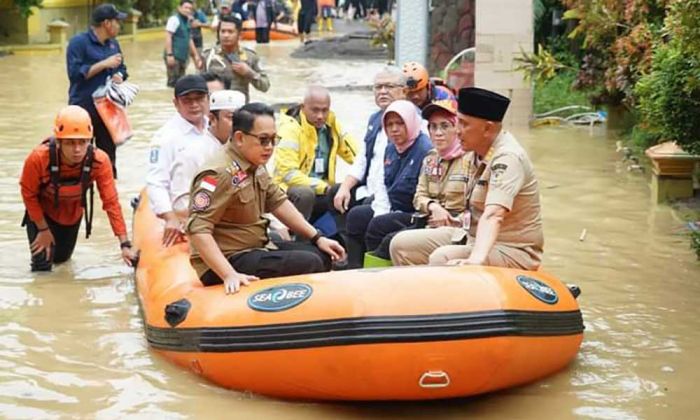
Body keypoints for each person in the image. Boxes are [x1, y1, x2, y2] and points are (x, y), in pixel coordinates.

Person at [186, 103, 346, 294]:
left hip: (255, 247)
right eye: (263, 140)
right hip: (228, 258)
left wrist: (318, 237)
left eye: (273, 140)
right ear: (239, 138)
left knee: (320, 254)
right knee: (309, 263)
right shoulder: (217, 174)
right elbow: (197, 228)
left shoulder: (255, 164)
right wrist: (229, 274)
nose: (269, 147)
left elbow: (278, 201)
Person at [428, 87, 544, 270]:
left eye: (464, 124)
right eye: (457, 122)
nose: (457, 131)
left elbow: (494, 215)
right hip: (470, 235)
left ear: (488, 128)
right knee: (402, 245)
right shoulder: (474, 153)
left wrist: (476, 259)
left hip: (512, 250)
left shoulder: (508, 157)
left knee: (440, 259)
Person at [19, 105, 136, 272]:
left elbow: (111, 203)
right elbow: (28, 194)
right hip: (41, 214)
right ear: (58, 142)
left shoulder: (100, 161)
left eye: (83, 142)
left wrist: (124, 243)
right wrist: (43, 229)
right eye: (70, 143)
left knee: (62, 261)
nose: (77, 149)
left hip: (71, 215)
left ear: (90, 140)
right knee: (41, 267)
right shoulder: (38, 158)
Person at [343, 99, 432, 268]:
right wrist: (381, 211)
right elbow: (383, 185)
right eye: (389, 124)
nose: (394, 129)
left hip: (416, 212)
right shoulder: (391, 147)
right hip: (393, 205)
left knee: (379, 225)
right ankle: (353, 268)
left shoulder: (424, 150)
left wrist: (383, 217)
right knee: (357, 216)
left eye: (400, 123)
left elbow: (425, 194)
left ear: (411, 123)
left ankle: (377, 273)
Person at [386, 99, 472, 264]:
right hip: (430, 221)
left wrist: (454, 219)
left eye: (445, 126)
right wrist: (433, 207)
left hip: (459, 228)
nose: (438, 133)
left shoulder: (472, 161)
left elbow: (480, 208)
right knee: (385, 235)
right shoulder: (431, 159)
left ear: (458, 128)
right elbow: (419, 195)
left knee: (397, 242)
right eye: (433, 127)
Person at [330, 66, 404, 234]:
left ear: (403, 91)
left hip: (389, 193)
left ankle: (359, 253)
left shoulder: (411, 121)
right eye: (378, 87)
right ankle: (343, 245)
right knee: (335, 192)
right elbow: (362, 159)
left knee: (361, 210)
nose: (383, 91)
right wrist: (345, 187)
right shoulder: (375, 119)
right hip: (369, 187)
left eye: (389, 86)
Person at [274, 85, 358, 222]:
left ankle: (340, 238)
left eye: (325, 110)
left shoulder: (332, 125)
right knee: (306, 193)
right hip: (290, 191)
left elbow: (354, 153)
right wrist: (324, 188)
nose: (320, 116)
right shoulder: (290, 129)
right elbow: (288, 174)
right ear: (303, 107)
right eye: (315, 110)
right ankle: (299, 237)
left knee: (349, 191)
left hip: (324, 190)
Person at [66, 3, 128, 178]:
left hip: (108, 111)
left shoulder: (113, 44)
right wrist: (104, 64)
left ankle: (107, 198)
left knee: (108, 159)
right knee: (77, 158)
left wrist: (120, 76)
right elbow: (75, 74)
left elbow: (123, 68)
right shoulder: (78, 43)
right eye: (117, 22)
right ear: (107, 23)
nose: (119, 26)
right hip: (83, 110)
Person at [146, 75, 209, 247]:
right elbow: (156, 182)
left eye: (199, 98)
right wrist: (169, 217)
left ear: (208, 99)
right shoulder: (165, 138)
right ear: (176, 103)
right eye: (187, 100)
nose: (194, 105)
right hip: (185, 214)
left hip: (214, 211)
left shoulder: (216, 129)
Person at [171, 89, 247, 213]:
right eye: (232, 118)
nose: (239, 125)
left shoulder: (247, 151)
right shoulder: (193, 153)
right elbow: (182, 203)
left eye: (243, 120)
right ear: (212, 118)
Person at [202, 15, 270, 102]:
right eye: (222, 31)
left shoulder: (250, 57)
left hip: (239, 108)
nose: (226, 35)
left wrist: (250, 73)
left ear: (240, 35)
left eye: (230, 32)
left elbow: (265, 86)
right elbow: (196, 85)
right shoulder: (208, 56)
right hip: (215, 108)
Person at [164, 0, 203, 88]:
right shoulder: (174, 19)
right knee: (172, 83)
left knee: (181, 83)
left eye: (190, 8)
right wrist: (169, 55)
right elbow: (168, 36)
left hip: (183, 57)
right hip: (174, 57)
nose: (188, 10)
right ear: (179, 8)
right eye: (186, 8)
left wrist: (196, 56)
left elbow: (189, 39)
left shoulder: (187, 22)